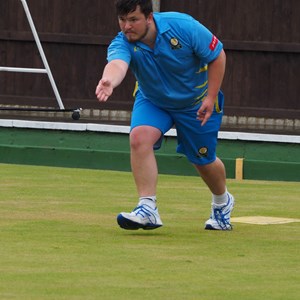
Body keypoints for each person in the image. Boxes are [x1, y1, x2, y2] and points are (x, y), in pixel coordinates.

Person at [95, 0, 235, 231]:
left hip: (196, 103)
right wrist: (109, 81)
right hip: (153, 100)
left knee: (203, 160)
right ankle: (147, 207)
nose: (126, 26)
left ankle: (222, 202)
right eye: (122, 20)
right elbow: (117, 64)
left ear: (149, 17)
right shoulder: (122, 42)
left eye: (133, 20)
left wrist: (210, 98)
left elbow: (217, 56)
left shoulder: (183, 26)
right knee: (139, 138)